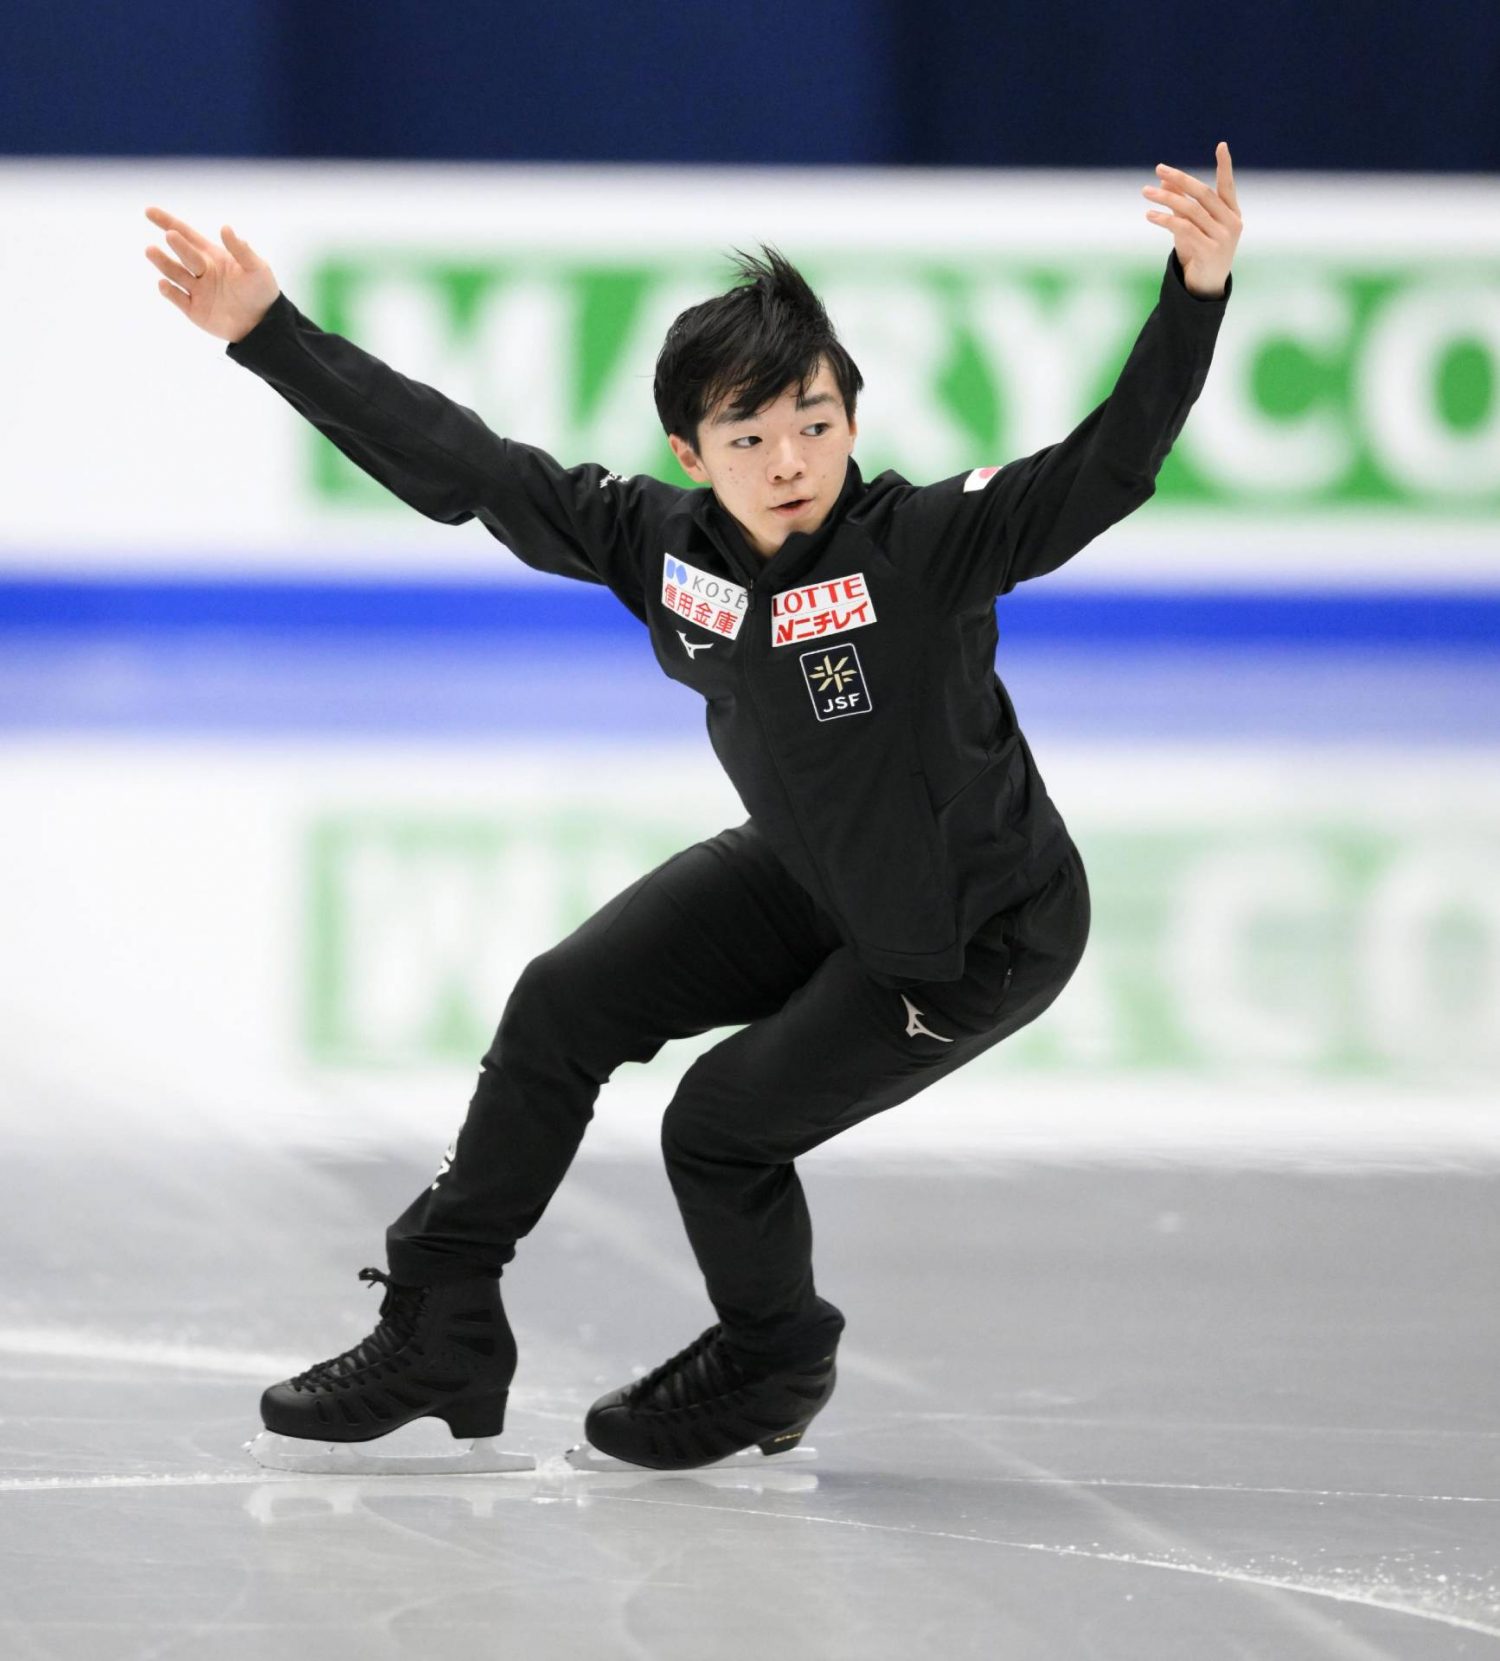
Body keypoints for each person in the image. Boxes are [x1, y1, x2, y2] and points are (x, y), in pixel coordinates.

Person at [143, 145, 1240, 1473]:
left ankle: (777, 1357)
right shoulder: (660, 549)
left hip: (971, 930)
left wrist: (1196, 289)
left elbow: (1110, 466)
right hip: (810, 872)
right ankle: (443, 1319)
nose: (792, 459)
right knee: (561, 1002)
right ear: (689, 449)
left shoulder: (927, 546)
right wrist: (270, 334)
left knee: (717, 1125)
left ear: (852, 413)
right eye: (751, 435)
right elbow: (470, 469)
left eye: (817, 421)